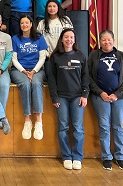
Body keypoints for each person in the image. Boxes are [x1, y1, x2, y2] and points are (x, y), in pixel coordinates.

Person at [88, 30, 123, 171]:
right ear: (100, 42)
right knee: (104, 127)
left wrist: (118, 94)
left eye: (109, 40)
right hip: (100, 97)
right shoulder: (93, 56)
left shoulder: (122, 56)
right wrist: (100, 93)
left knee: (118, 127)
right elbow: (88, 77)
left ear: (113, 40)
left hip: (119, 97)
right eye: (104, 40)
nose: (107, 42)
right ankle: (106, 157)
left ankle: (120, 156)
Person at [48, 29, 89, 170]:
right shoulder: (55, 57)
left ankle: (77, 157)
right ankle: (66, 156)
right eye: (66, 37)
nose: (69, 39)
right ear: (61, 39)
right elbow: (51, 79)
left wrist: (85, 95)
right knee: (63, 127)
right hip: (61, 97)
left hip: (78, 97)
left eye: (71, 37)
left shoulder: (81, 55)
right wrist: (54, 96)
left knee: (78, 128)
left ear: (75, 39)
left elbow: (85, 77)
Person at [10, 15, 48, 140]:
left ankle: (38, 121)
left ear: (31, 24)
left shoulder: (39, 38)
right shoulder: (15, 39)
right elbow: (14, 59)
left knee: (36, 84)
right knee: (25, 84)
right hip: (19, 70)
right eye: (22, 23)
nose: (24, 25)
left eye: (26, 22)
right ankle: (27, 120)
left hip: (37, 70)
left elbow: (42, 58)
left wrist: (33, 71)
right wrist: (24, 71)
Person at [37, 0, 73, 78]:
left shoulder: (65, 20)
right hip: (49, 57)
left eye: (54, 6)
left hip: (64, 55)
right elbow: (39, 42)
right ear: (46, 8)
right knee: (51, 78)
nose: (52, 8)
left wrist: (65, 52)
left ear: (58, 7)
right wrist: (47, 54)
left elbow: (70, 38)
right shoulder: (42, 23)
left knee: (64, 77)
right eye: (49, 6)